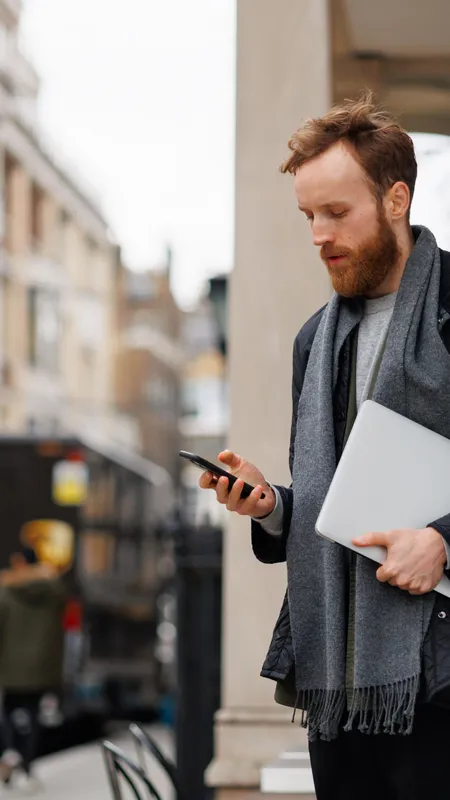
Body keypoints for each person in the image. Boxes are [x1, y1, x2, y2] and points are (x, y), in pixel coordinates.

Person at [199, 93, 450, 800]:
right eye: (309, 215)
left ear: (396, 199)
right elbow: (332, 496)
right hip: (336, 677)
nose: (318, 234)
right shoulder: (315, 338)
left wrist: (443, 541)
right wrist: (271, 505)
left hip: (439, 668)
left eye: (337, 213)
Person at [0, 546, 66, 789]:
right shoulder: (54, 590)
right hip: (41, 665)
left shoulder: (6, 590)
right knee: (33, 715)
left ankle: (9, 751)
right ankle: (26, 767)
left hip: (10, 665)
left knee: (9, 710)